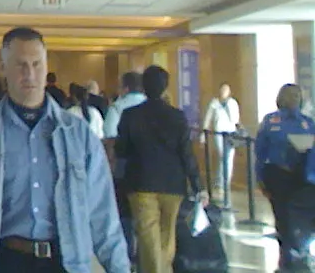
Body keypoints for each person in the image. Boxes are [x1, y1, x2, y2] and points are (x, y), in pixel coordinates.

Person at [0, 27, 128, 273]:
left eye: (36, 64)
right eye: (20, 65)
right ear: (3, 69)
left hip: (67, 261)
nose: (30, 74)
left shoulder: (79, 135)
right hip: (7, 261)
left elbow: (103, 213)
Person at [115, 65, 201, 273]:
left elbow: (121, 150)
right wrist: (198, 185)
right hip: (173, 185)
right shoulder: (177, 116)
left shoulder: (130, 115)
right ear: (165, 88)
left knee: (148, 239)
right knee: (166, 238)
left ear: (143, 87)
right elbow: (186, 153)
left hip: (141, 183)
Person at [255, 83, 315, 269]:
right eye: (290, 95)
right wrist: (260, 178)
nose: (294, 98)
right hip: (278, 175)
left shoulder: (307, 122)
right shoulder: (271, 121)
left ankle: (301, 255)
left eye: (297, 95)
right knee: (282, 218)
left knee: (302, 219)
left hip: (303, 178)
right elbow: (260, 151)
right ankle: (286, 259)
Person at [202, 83, 241, 200]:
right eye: (222, 89)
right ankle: (220, 183)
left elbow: (235, 119)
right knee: (223, 156)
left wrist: (228, 107)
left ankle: (224, 183)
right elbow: (208, 118)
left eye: (226, 90)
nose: (224, 91)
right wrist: (204, 133)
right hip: (219, 133)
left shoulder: (232, 103)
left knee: (229, 158)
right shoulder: (214, 103)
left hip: (230, 133)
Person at [103, 72, 146, 140]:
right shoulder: (152, 105)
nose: (118, 91)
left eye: (119, 87)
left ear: (126, 89)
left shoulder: (116, 107)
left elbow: (109, 134)